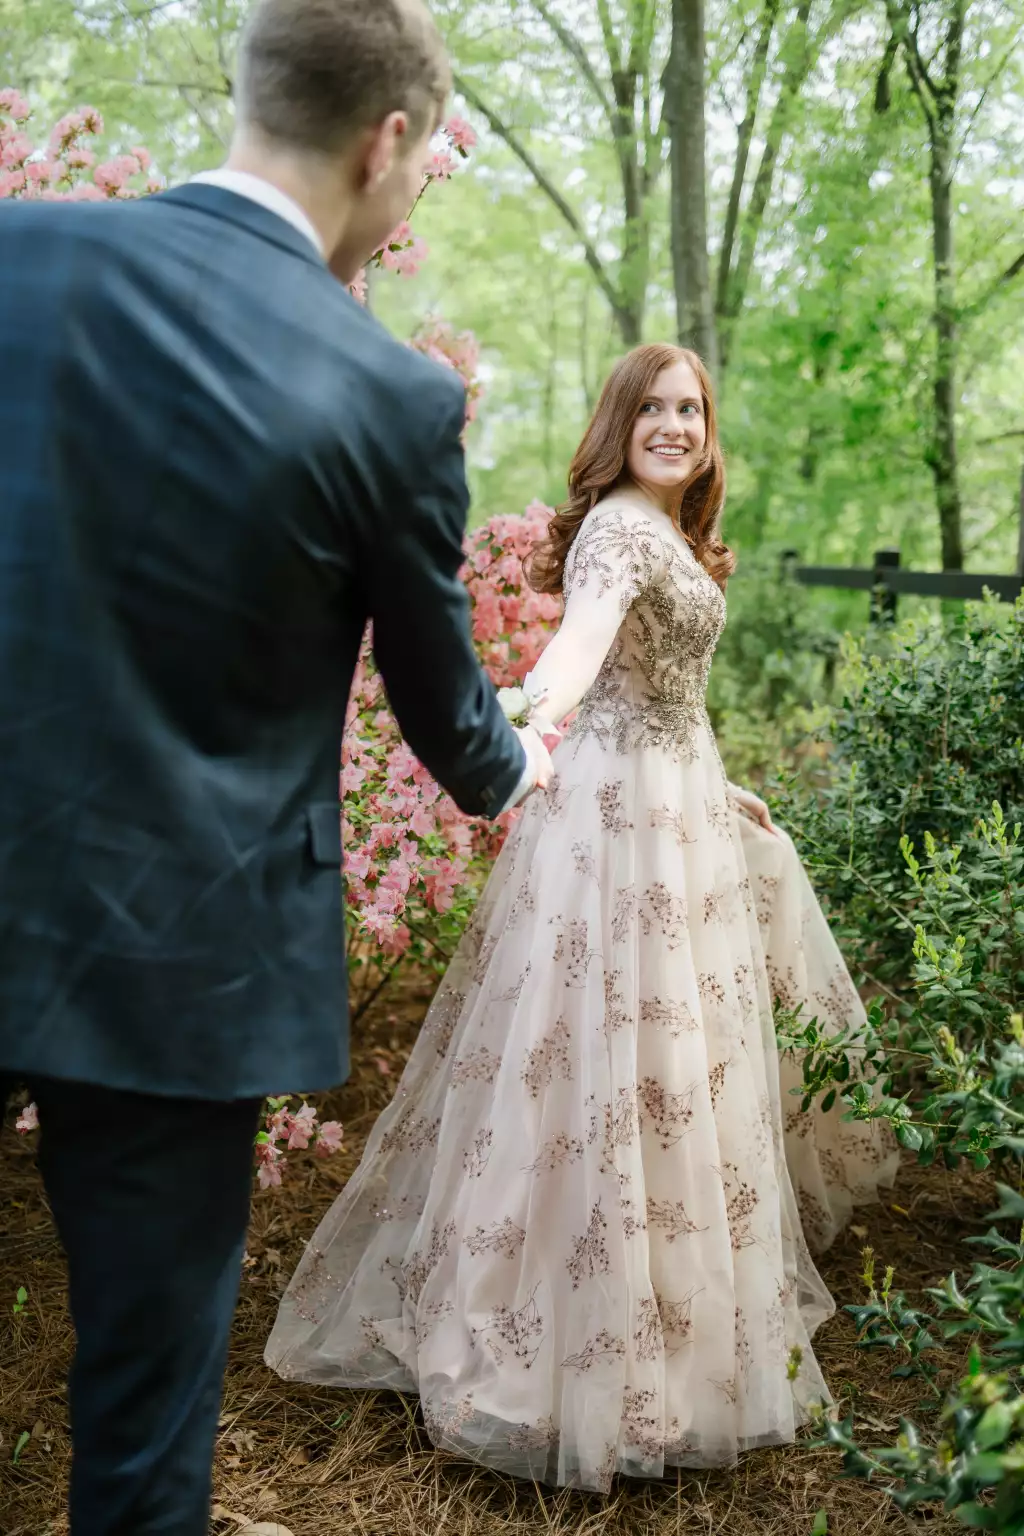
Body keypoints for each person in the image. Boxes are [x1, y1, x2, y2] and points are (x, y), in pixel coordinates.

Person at [0, 1, 552, 1530]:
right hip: (174, 964)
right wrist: (523, 768)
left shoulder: (14, 255)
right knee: (140, 1412)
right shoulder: (388, 393)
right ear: (390, 142)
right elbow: (448, 717)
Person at [266, 343, 899, 1492]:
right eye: (651, 406)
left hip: (674, 805)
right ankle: (570, 1358)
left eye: (690, 407)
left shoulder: (666, 531)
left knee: (669, 1067)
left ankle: (662, 1338)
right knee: (604, 1066)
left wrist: (718, 781)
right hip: (616, 830)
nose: (672, 423)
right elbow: (578, 655)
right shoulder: (616, 531)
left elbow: (664, 695)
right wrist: (518, 717)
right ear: (618, 421)